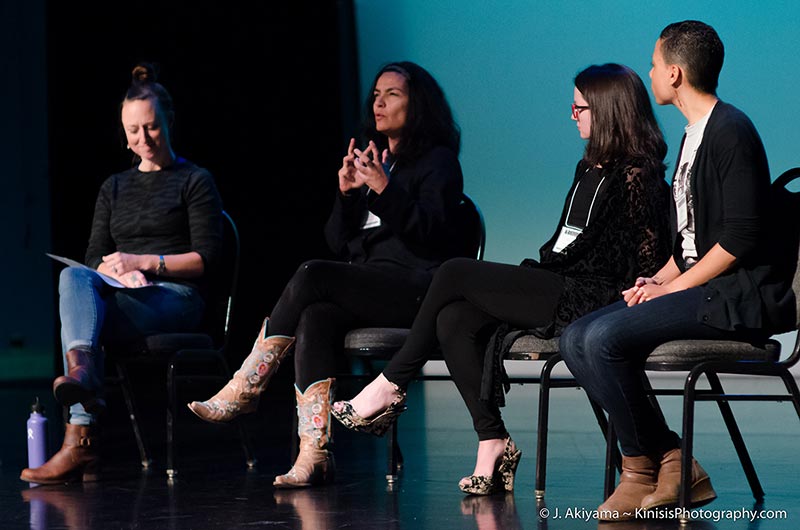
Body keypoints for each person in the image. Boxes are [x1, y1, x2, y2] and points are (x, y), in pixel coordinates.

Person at [333, 63, 672, 495]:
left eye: (580, 107)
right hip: (564, 280)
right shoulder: (588, 167)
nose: (573, 116)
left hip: (596, 297)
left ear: (608, 110)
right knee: (453, 318)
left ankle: (391, 383)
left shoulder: (637, 174)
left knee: (454, 270)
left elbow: (646, 258)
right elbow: (566, 243)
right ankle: (493, 440)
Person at [558, 21, 797, 521]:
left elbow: (737, 239)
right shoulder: (693, 135)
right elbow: (689, 239)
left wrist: (677, 287)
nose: (649, 74)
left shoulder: (731, 130)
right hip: (698, 286)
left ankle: (643, 467)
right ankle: (667, 461)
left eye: (653, 64)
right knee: (575, 337)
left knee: (603, 340)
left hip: (736, 294)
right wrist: (661, 278)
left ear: (675, 72)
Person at [187, 61, 465, 489]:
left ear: (419, 104)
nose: (379, 102)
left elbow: (434, 234)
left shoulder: (438, 163)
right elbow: (338, 240)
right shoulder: (376, 159)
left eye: (392, 94)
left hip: (417, 290)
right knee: (314, 314)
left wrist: (385, 189)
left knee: (312, 273)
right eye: (375, 94)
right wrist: (348, 195)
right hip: (372, 285)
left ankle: (246, 386)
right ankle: (314, 453)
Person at [20, 63, 224, 484]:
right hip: (123, 295)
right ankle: (83, 374)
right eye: (132, 131)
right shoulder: (113, 187)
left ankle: (80, 437)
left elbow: (206, 259)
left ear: (168, 121)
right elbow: (94, 255)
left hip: (175, 298)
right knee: (72, 278)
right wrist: (114, 272)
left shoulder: (195, 180)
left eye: (150, 128)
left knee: (82, 320)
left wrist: (142, 262)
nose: (142, 140)